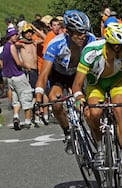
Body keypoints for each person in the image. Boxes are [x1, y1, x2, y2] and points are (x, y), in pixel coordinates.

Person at [72, 22, 122, 175]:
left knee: (119, 108)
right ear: (116, 47)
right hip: (96, 84)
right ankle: (100, 147)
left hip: (117, 82)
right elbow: (77, 84)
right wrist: (79, 98)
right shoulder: (91, 52)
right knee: (94, 113)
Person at [34, 10, 96, 154]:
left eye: (85, 31)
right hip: (59, 75)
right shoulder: (55, 44)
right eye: (79, 32)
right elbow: (43, 75)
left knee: (89, 109)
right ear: (68, 32)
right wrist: (38, 100)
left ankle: (98, 139)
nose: (83, 36)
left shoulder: (90, 39)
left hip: (80, 74)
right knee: (55, 102)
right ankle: (68, 133)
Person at [2, 27, 33, 130]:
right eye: (15, 35)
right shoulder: (12, 47)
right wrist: (27, 66)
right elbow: (18, 62)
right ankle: (28, 121)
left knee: (16, 99)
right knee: (26, 96)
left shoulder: (4, 47)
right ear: (10, 36)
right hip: (18, 75)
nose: (16, 37)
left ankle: (15, 116)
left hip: (9, 77)